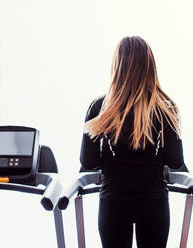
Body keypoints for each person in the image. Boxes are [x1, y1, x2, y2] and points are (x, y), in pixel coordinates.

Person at [80, 36, 184, 248]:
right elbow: (175, 161)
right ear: (149, 67)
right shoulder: (166, 109)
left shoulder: (99, 108)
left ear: (117, 67)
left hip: (113, 203)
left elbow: (88, 162)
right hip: (154, 204)